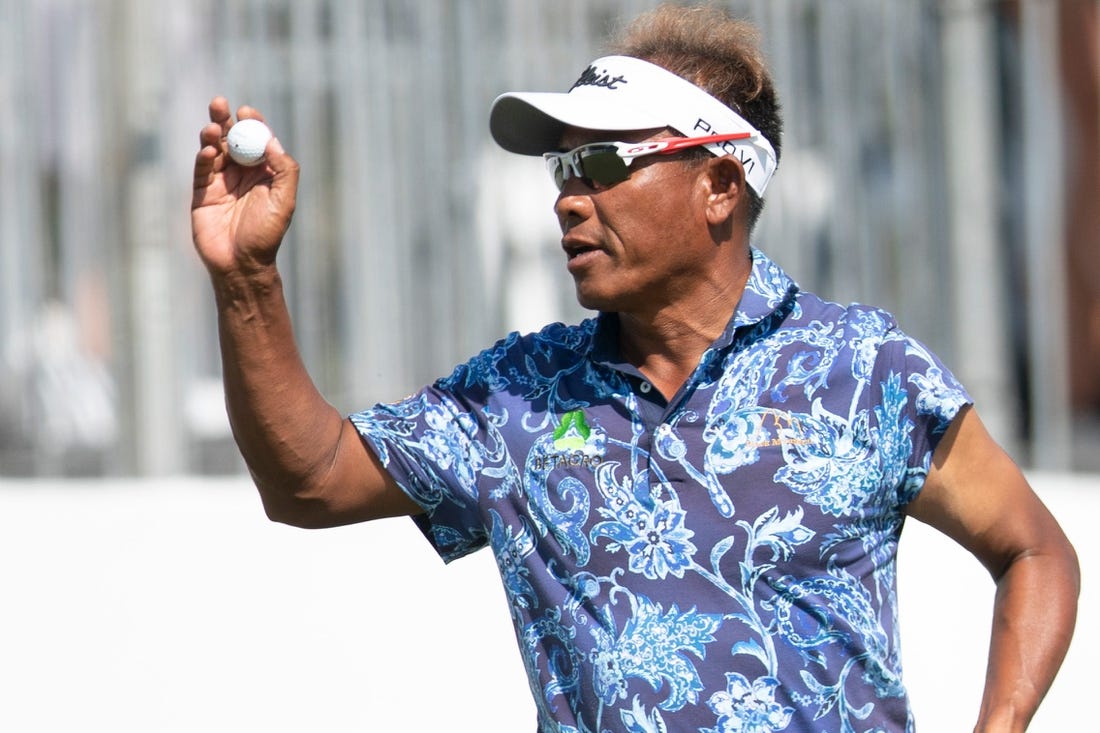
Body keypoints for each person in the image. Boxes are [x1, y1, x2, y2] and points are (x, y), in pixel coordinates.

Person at [190, 4, 1079, 732]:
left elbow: (1035, 547)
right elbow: (307, 480)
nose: (569, 197)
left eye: (606, 162)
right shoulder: (518, 395)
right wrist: (248, 281)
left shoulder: (864, 368)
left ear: (720, 185)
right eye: (564, 165)